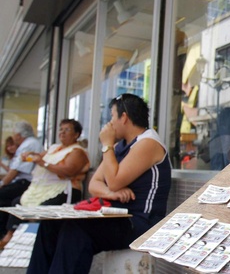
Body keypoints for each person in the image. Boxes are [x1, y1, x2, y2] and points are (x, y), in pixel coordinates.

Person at [27, 93, 172, 274]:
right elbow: (94, 184)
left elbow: (113, 181)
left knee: (76, 231)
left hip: (140, 223)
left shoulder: (148, 142)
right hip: (115, 215)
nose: (109, 124)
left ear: (124, 117)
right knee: (51, 225)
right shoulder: (120, 146)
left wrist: (107, 144)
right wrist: (111, 194)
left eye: (112, 116)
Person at [0, 119, 90, 249]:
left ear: (76, 134)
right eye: (61, 129)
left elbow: (68, 171)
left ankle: (37, 242)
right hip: (42, 188)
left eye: (67, 130)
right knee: (17, 202)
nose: (62, 133)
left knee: (44, 207)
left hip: (64, 190)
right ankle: (10, 236)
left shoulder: (77, 151)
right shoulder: (54, 148)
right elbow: (39, 156)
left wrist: (43, 163)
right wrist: (29, 155)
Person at [0, 122, 43, 237]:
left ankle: (5, 234)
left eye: (14, 134)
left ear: (19, 135)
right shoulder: (29, 143)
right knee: (4, 201)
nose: (13, 137)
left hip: (26, 182)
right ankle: (3, 233)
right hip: (22, 181)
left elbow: (15, 170)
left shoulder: (29, 144)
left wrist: (3, 183)